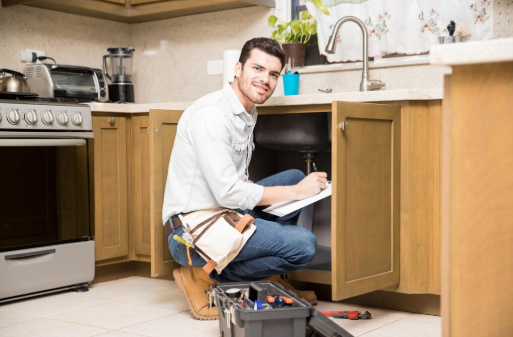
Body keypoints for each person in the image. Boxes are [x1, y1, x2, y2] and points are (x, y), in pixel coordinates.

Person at [162, 37, 328, 320]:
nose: (265, 79)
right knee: (304, 245)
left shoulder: (246, 111)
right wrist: (296, 192)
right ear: (238, 68)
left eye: (273, 74)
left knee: (293, 175)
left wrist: (296, 187)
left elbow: (235, 190)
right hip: (191, 231)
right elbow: (227, 192)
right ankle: (202, 277)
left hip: (224, 212)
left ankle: (266, 280)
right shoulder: (212, 115)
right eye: (258, 69)